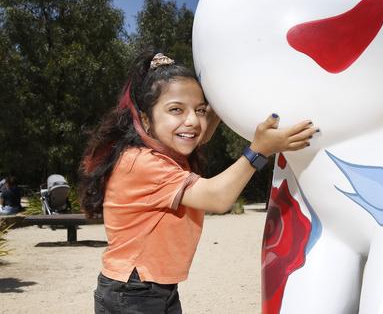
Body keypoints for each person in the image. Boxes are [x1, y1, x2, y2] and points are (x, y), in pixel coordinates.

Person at [78, 50, 317, 313]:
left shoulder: (164, 151)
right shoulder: (142, 163)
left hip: (152, 288)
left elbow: (199, 132)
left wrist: (222, 101)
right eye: (176, 109)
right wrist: (258, 150)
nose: (191, 120)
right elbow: (217, 197)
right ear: (145, 120)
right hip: (134, 291)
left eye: (198, 110)